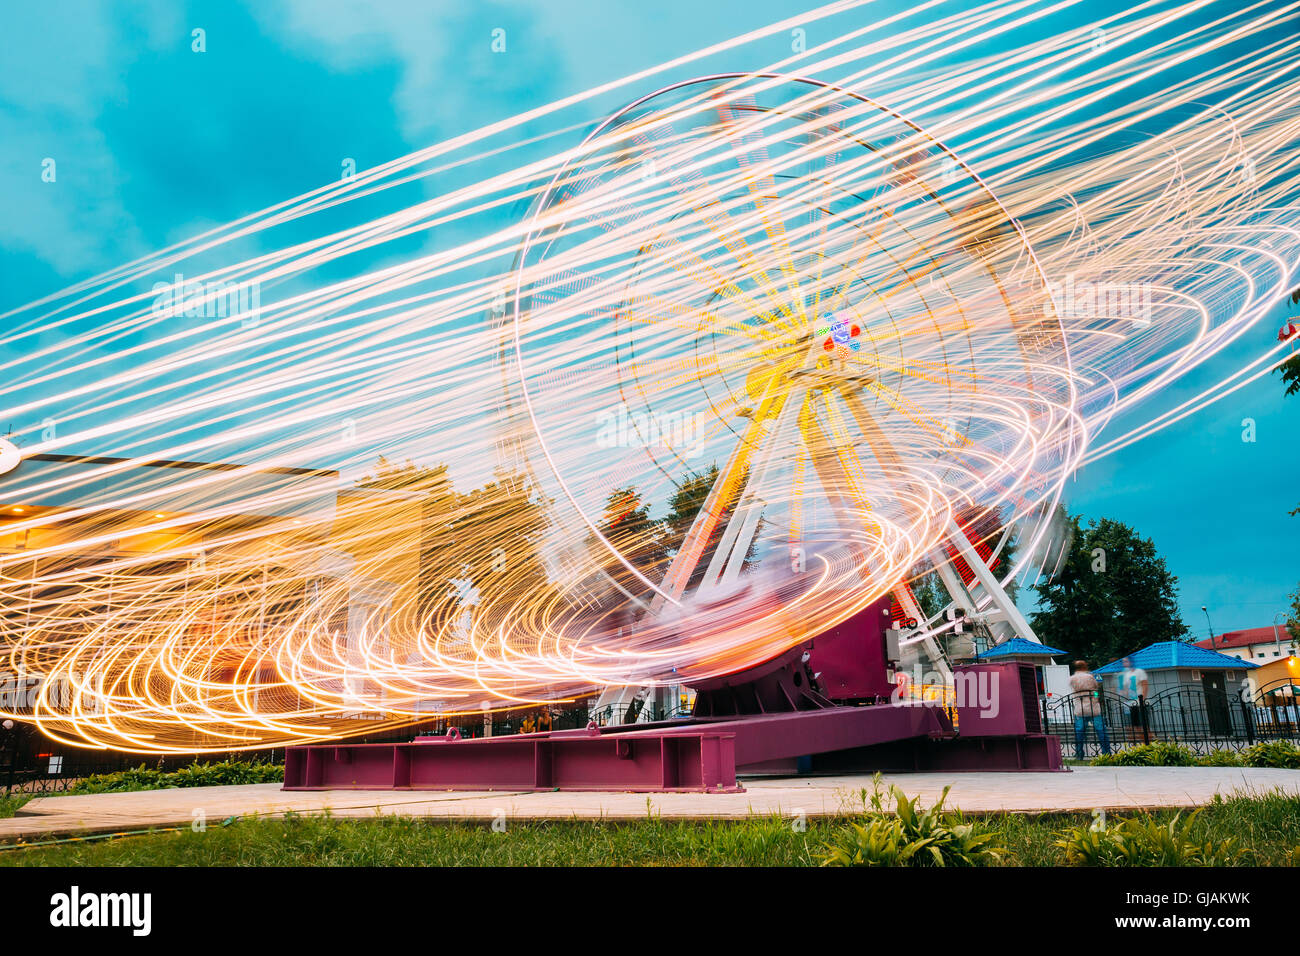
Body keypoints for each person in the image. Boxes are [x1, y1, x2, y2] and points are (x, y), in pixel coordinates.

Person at [1068, 660, 1110, 759]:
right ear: (1084, 667)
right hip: (1093, 707)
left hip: (1080, 708)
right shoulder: (1090, 677)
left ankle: (1079, 753)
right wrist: (1096, 698)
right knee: (1101, 731)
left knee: (1079, 732)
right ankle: (1106, 753)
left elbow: (1073, 690)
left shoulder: (1072, 679)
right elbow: (1096, 689)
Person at [1118, 655, 1149, 729]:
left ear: (1131, 662)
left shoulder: (1139, 671)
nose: (1124, 663)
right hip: (1131, 703)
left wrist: (1143, 699)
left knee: (1144, 723)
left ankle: (1147, 739)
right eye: (1123, 662)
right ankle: (1138, 739)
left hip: (1140, 702)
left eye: (1126, 661)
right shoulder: (1126, 674)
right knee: (1135, 724)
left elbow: (1145, 685)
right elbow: (1125, 688)